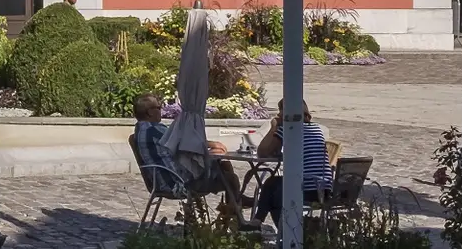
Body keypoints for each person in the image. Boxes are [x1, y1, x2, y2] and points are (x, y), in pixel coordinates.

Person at [133, 94, 254, 224]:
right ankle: (236, 217)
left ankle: (235, 205)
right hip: (177, 183)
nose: (161, 110)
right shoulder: (154, 129)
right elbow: (185, 143)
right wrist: (212, 144)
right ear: (150, 112)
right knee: (230, 178)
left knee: (223, 166)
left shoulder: (141, 129)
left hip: (161, 180)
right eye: (158, 107)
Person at [251, 107, 334, 227]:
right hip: (324, 189)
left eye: (280, 111)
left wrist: (274, 127)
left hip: (307, 188)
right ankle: (274, 228)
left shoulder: (289, 128)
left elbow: (262, 153)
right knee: (274, 186)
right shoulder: (316, 128)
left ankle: (266, 224)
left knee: (272, 187)